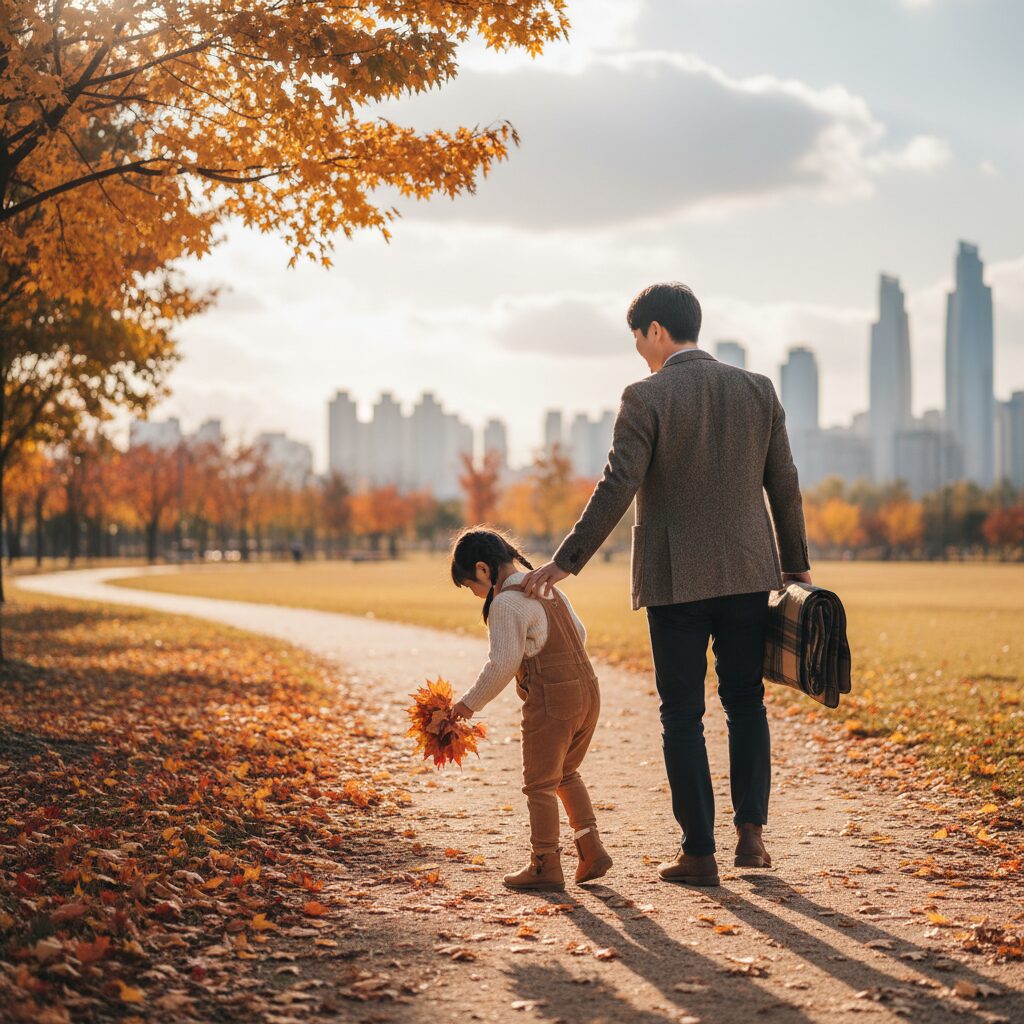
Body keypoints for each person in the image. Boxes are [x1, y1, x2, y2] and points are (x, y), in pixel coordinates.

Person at [521, 282, 812, 887]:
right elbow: (783, 483)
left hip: (675, 580)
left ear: (656, 331)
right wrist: (797, 566)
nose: (639, 353)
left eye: (638, 339)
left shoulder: (645, 395)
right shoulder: (758, 390)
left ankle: (699, 853)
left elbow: (617, 484)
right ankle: (751, 837)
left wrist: (567, 561)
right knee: (746, 702)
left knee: (682, 714)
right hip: (747, 571)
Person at [449, 527, 612, 891]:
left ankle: (544, 864)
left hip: (553, 699)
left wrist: (467, 705)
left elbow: (502, 663)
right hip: (588, 690)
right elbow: (580, 634)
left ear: (482, 569)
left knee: (539, 783)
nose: (475, 594)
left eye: (470, 585)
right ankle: (591, 849)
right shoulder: (547, 587)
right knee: (566, 771)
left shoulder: (506, 603)